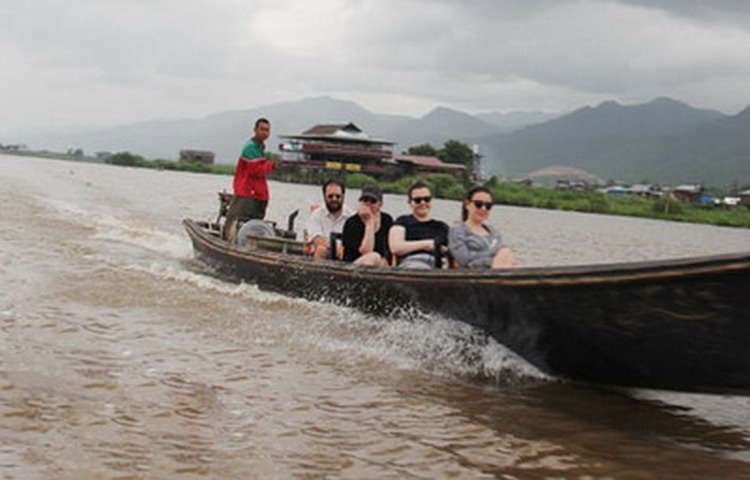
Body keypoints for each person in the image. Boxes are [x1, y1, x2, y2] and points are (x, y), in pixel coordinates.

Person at [224, 118, 275, 243]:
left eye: (267, 130)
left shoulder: (260, 147)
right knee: (236, 222)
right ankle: (228, 243)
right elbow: (256, 170)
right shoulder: (250, 147)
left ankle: (244, 245)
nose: (265, 133)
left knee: (252, 225)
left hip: (258, 194)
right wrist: (272, 165)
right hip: (246, 192)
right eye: (262, 129)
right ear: (255, 130)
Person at [448, 186, 516, 269]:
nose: (483, 209)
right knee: (505, 252)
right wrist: (493, 259)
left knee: (507, 253)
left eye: (488, 206)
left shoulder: (495, 234)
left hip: (496, 270)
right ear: (467, 205)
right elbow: (464, 260)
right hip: (472, 275)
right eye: (478, 204)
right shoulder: (457, 231)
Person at [389, 182, 449, 269]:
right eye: (418, 200)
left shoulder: (442, 226)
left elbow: (451, 250)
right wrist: (427, 244)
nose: (423, 203)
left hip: (438, 263)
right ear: (410, 203)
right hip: (413, 261)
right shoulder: (402, 221)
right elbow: (395, 247)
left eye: (426, 199)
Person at [342, 184, 393, 266]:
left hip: (381, 265)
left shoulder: (387, 220)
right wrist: (369, 222)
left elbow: (390, 250)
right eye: (365, 200)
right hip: (353, 265)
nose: (368, 204)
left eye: (373, 201)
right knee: (373, 257)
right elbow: (366, 251)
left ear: (380, 204)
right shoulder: (352, 222)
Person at [307, 179, 354, 259]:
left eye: (338, 196)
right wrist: (336, 249)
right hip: (325, 252)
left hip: (346, 254)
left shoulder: (351, 217)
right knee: (321, 249)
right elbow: (317, 239)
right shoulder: (317, 215)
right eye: (330, 196)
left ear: (343, 196)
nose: (334, 199)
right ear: (324, 196)